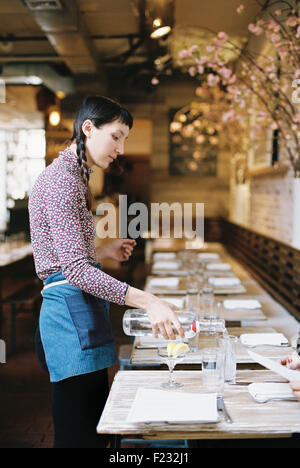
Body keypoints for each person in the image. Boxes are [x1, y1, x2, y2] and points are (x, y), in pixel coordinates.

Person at [28, 95, 184, 448]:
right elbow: (77, 272)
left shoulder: (74, 174)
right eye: (116, 136)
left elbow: (67, 259)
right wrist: (148, 301)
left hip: (78, 314)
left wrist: (102, 250)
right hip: (67, 322)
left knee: (96, 428)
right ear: (88, 128)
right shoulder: (62, 181)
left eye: (125, 139)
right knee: (78, 437)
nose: (121, 148)